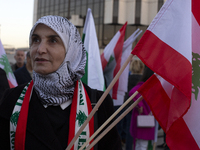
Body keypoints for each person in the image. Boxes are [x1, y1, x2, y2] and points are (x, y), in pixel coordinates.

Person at [0, 15, 122, 150]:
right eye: (35, 40)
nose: (40, 49)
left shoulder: (99, 104)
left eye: (52, 40)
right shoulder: (12, 99)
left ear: (71, 51)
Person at [129, 66, 155, 150]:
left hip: (141, 118)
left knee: (139, 144)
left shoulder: (145, 85)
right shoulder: (146, 86)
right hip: (146, 118)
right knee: (142, 145)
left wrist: (139, 105)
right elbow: (132, 92)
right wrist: (140, 105)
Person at [123, 59, 144, 150]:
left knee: (129, 129)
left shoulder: (128, 78)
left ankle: (128, 147)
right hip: (140, 107)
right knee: (140, 129)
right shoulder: (142, 80)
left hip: (128, 106)